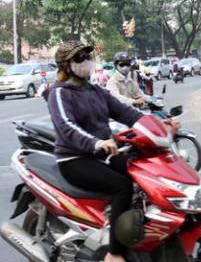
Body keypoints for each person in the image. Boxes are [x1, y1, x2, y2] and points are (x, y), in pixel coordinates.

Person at [45, 41, 145, 262]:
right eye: (79, 58)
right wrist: (96, 143)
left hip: (102, 154)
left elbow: (127, 113)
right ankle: (115, 253)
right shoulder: (59, 93)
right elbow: (66, 127)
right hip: (75, 159)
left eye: (87, 57)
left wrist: (159, 124)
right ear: (66, 65)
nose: (86, 62)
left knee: (143, 172)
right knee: (122, 186)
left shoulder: (95, 90)